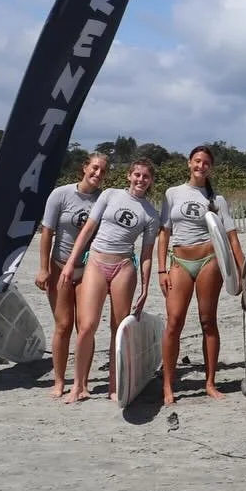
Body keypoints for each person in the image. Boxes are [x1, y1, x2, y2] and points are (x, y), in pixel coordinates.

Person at [59, 159, 159, 403]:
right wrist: (71, 262)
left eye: (146, 177)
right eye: (137, 175)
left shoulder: (151, 214)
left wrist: (145, 287)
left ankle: (115, 385)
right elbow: (87, 230)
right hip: (95, 262)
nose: (140, 180)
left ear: (151, 181)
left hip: (124, 267)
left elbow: (146, 256)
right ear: (129, 175)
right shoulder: (109, 195)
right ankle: (78, 386)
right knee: (87, 326)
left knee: (119, 329)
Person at [157, 146, 246, 405]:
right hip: (180, 261)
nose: (201, 166)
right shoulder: (173, 193)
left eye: (206, 162)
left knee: (208, 321)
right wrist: (161, 269)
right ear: (189, 163)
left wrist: (243, 273)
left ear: (211, 167)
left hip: (210, 260)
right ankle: (167, 386)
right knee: (174, 322)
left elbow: (231, 238)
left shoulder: (217, 199)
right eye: (197, 161)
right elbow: (164, 232)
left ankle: (210, 382)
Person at [35, 153, 109, 400]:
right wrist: (44, 268)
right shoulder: (61, 195)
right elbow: (47, 232)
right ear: (85, 168)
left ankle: (84, 382)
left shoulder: (104, 199)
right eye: (94, 168)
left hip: (89, 270)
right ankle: (58, 381)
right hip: (60, 266)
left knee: (85, 327)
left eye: (102, 171)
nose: (97, 174)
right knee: (63, 325)